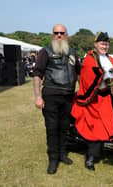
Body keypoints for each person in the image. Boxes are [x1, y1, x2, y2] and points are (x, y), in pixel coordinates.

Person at [71, 31, 113, 171]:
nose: (105, 46)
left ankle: (101, 151)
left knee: (105, 127)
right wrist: (109, 72)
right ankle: (90, 158)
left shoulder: (110, 58)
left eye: (107, 44)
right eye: (102, 44)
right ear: (96, 44)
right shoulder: (90, 58)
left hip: (105, 98)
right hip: (93, 99)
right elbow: (91, 74)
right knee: (95, 129)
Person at [33, 24, 81, 174]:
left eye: (62, 33)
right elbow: (37, 74)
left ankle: (62, 154)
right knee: (52, 128)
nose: (59, 35)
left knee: (65, 127)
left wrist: (83, 91)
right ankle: (53, 159)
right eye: (56, 33)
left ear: (66, 35)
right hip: (51, 96)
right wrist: (37, 96)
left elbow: (79, 74)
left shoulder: (73, 52)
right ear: (52, 35)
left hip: (68, 96)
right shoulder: (45, 52)